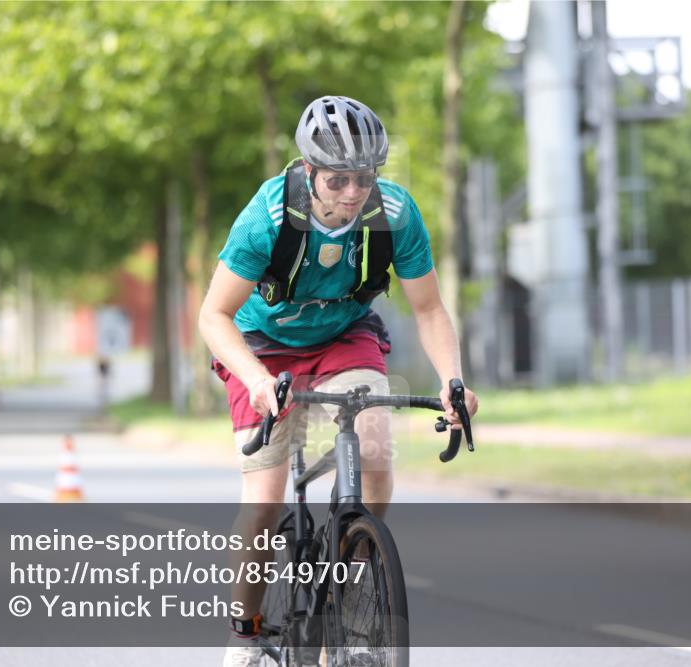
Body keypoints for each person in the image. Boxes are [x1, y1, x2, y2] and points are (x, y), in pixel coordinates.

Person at [198, 95, 478, 667]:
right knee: (264, 503)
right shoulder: (267, 217)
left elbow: (429, 309)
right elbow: (213, 315)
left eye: (364, 178)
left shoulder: (395, 214)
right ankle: (246, 634)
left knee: (375, 451)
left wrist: (453, 380)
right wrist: (255, 379)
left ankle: (350, 590)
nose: (353, 193)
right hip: (261, 345)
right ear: (309, 171)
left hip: (344, 334)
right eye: (338, 180)